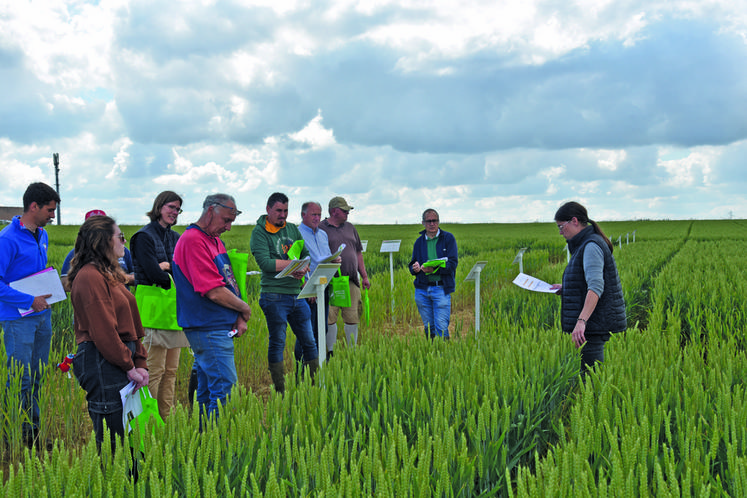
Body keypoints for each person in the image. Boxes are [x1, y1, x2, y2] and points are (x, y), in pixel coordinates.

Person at [68, 215, 149, 450]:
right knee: (115, 439)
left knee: (129, 435)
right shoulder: (90, 277)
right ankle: (116, 484)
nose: (124, 242)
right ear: (102, 241)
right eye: (120, 237)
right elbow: (104, 331)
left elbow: (131, 326)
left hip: (117, 360)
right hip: (103, 363)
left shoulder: (108, 274)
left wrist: (140, 361)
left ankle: (130, 483)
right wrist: (130, 366)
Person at [172, 194, 251, 420]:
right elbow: (213, 290)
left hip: (217, 325)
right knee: (225, 391)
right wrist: (245, 308)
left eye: (231, 222)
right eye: (225, 220)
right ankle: (219, 444)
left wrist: (237, 315)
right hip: (207, 326)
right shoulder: (193, 240)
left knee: (207, 392)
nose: (227, 227)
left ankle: (204, 441)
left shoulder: (214, 240)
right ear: (209, 212)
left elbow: (228, 283)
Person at [0, 182, 60, 446]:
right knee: (19, 378)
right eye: (49, 209)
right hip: (16, 320)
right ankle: (15, 435)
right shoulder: (7, 239)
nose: (53, 215)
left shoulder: (43, 235)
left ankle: (32, 431)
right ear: (33, 206)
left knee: (37, 376)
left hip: (41, 317)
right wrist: (28, 300)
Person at [250, 193, 320, 395]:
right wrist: (293, 264)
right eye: (279, 211)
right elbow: (266, 263)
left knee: (309, 340)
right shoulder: (259, 232)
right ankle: (280, 390)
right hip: (274, 295)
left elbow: (305, 254)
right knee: (278, 341)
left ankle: (315, 386)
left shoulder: (291, 229)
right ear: (268, 209)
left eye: (286, 211)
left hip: (296, 294)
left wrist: (303, 268)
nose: (283, 215)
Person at [130, 191, 190, 420]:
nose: (174, 212)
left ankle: (167, 418)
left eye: (178, 209)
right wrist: (165, 269)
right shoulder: (143, 236)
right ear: (159, 206)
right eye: (171, 207)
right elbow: (154, 273)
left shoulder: (175, 237)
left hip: (173, 313)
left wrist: (168, 267)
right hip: (152, 313)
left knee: (171, 371)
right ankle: (150, 420)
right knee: (154, 371)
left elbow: (181, 270)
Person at [551, 201, 627, 373]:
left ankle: (594, 399)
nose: (561, 232)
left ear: (575, 221)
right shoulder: (585, 243)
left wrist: (581, 321)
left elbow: (596, 286)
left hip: (593, 324)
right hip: (594, 323)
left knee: (591, 380)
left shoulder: (591, 246)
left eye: (561, 227)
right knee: (590, 376)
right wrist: (567, 287)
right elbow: (586, 281)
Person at [319, 196, 370, 354]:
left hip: (351, 280)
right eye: (344, 210)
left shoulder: (350, 227)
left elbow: (358, 253)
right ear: (334, 211)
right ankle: (330, 352)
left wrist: (365, 276)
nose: (348, 213)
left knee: (352, 316)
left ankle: (352, 351)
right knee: (329, 318)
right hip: (330, 282)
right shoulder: (321, 228)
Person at [296, 201, 340, 363]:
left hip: (324, 286)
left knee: (323, 327)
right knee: (307, 331)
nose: (317, 218)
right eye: (313, 214)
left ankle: (319, 364)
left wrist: (335, 260)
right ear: (303, 215)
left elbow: (325, 258)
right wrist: (307, 287)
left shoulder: (322, 234)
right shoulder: (297, 234)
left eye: (319, 215)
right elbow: (297, 262)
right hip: (309, 289)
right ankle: (302, 367)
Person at [408, 209, 458, 339]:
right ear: (423, 223)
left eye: (434, 220)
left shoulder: (448, 238)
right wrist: (415, 268)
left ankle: (444, 355)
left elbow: (452, 264)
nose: (432, 224)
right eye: (429, 221)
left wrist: (435, 270)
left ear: (438, 222)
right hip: (422, 290)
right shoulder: (419, 242)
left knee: (441, 327)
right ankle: (432, 354)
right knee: (429, 328)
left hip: (441, 288)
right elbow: (413, 263)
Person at [61, 209, 134, 290]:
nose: (124, 241)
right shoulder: (76, 254)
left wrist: (115, 277)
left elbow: (137, 277)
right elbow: (65, 283)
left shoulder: (123, 251)